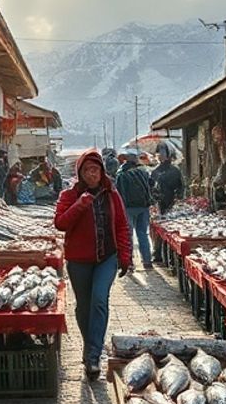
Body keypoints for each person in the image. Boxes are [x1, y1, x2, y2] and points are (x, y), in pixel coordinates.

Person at [54, 150, 131, 379]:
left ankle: (94, 355)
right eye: (87, 170)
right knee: (83, 307)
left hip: (106, 257)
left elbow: (122, 226)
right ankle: (89, 346)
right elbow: (60, 223)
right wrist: (80, 204)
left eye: (95, 170)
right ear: (80, 173)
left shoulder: (111, 194)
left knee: (99, 300)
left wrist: (125, 256)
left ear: (101, 171)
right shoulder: (69, 195)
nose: (91, 174)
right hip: (78, 260)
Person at [114, 148, 155, 269]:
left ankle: (129, 262)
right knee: (143, 234)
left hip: (128, 208)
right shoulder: (143, 172)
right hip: (143, 207)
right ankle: (147, 261)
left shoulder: (121, 174)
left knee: (128, 235)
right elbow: (151, 184)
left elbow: (118, 192)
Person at [151, 144, 184, 214]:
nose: (160, 155)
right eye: (159, 153)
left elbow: (180, 186)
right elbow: (151, 186)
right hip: (160, 201)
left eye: (163, 153)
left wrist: (179, 196)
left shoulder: (174, 170)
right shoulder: (155, 171)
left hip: (170, 200)